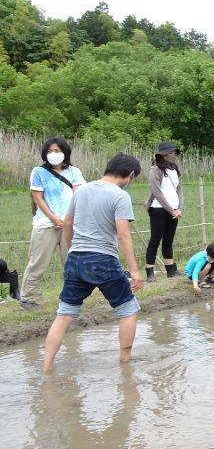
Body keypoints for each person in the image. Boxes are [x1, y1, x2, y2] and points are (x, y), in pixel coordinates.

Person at [42, 153, 144, 371]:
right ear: (130, 175)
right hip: (103, 261)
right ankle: (126, 364)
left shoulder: (82, 190)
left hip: (76, 259)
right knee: (128, 309)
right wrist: (135, 271)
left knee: (64, 315)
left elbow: (67, 223)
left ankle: (46, 367)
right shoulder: (119, 196)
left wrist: (71, 250)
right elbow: (123, 235)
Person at [21, 136, 86, 307]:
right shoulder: (38, 172)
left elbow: (79, 196)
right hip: (45, 224)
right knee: (38, 262)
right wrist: (54, 218)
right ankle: (27, 297)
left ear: (65, 152)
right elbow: (37, 197)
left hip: (70, 225)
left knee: (71, 261)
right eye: (49, 151)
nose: (53, 154)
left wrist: (68, 219)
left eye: (57, 151)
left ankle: (70, 295)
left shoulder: (74, 172)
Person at [145, 141, 184, 282]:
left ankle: (171, 270)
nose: (174, 155)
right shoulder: (155, 170)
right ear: (164, 155)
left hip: (174, 210)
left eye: (175, 152)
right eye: (172, 152)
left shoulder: (174, 169)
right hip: (158, 209)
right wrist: (170, 210)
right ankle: (150, 272)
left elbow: (179, 190)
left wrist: (180, 208)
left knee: (169, 240)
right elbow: (157, 192)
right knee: (155, 240)